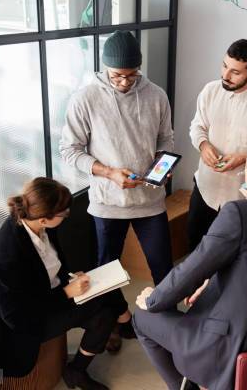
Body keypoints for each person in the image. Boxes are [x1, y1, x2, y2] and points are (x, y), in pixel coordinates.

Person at [133, 133, 247, 390]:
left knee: (142, 317)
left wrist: (153, 300)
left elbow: (190, 270)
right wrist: (210, 283)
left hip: (232, 348)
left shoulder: (238, 212)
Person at [60, 30, 175, 350]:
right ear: (104, 68)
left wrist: (161, 169)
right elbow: (69, 150)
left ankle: (169, 328)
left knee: (164, 268)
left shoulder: (156, 95)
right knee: (106, 270)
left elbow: (166, 139)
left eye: (130, 75)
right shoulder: (85, 98)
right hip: (107, 202)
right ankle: (118, 320)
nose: (124, 82)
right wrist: (109, 172)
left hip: (149, 201)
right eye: (117, 76)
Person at [0, 177, 128, 390]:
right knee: (104, 312)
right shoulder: (7, 258)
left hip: (51, 294)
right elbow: (15, 316)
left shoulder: (38, 225)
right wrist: (66, 293)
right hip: (26, 322)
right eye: (64, 213)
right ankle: (83, 364)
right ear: (44, 219)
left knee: (105, 290)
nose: (67, 216)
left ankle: (119, 325)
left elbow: (47, 266)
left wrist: (68, 278)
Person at [188, 39, 247, 252]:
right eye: (224, 66)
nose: (225, 75)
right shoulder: (210, 91)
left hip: (241, 200)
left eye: (235, 72)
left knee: (231, 260)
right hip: (204, 190)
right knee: (194, 250)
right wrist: (203, 145)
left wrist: (245, 157)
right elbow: (197, 126)